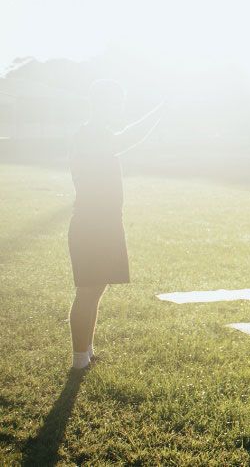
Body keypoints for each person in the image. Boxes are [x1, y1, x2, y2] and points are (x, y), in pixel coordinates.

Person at [68, 80, 163, 370]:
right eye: (115, 102)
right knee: (88, 291)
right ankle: (79, 360)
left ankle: (87, 352)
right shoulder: (89, 134)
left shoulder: (99, 133)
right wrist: (162, 110)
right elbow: (127, 139)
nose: (119, 107)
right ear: (100, 103)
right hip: (91, 224)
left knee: (96, 288)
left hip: (105, 223)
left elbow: (121, 140)